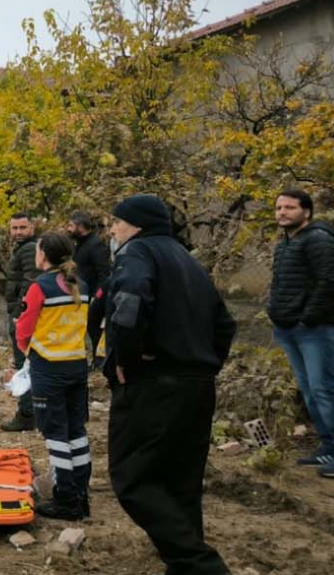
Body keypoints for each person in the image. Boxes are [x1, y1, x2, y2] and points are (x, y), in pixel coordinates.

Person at [103, 195, 236, 575]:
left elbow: (128, 305)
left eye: (117, 222)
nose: (112, 230)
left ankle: (202, 566)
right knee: (181, 483)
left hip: (154, 383)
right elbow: (225, 324)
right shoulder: (187, 260)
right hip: (196, 385)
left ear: (137, 225)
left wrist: (125, 360)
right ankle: (185, 567)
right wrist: (203, 366)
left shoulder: (137, 253)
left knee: (132, 477)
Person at [267, 188, 334, 478]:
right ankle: (328, 447)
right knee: (311, 392)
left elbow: (333, 282)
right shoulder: (286, 243)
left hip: (313, 328)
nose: (282, 213)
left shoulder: (318, 240)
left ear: (307, 212)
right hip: (288, 329)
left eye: (289, 207)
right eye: (278, 208)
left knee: (324, 390)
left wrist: (306, 318)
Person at [14, 232, 92, 520]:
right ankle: (81, 495)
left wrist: (27, 352)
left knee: (55, 434)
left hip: (49, 367)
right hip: (75, 365)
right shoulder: (80, 285)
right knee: (76, 432)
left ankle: (66, 498)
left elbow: (23, 329)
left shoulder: (40, 286)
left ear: (43, 254)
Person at [1, 212, 41, 432]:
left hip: (21, 315)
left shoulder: (28, 249)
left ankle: (27, 415)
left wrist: (18, 313)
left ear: (32, 228)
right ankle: (32, 412)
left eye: (22, 228)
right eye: (14, 228)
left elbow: (30, 283)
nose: (18, 232)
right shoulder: (25, 248)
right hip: (20, 312)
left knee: (23, 366)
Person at [67, 212, 111, 292]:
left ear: (80, 227)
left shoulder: (96, 244)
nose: (68, 229)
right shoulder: (76, 243)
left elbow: (104, 274)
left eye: (71, 226)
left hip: (90, 295)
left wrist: (96, 298)